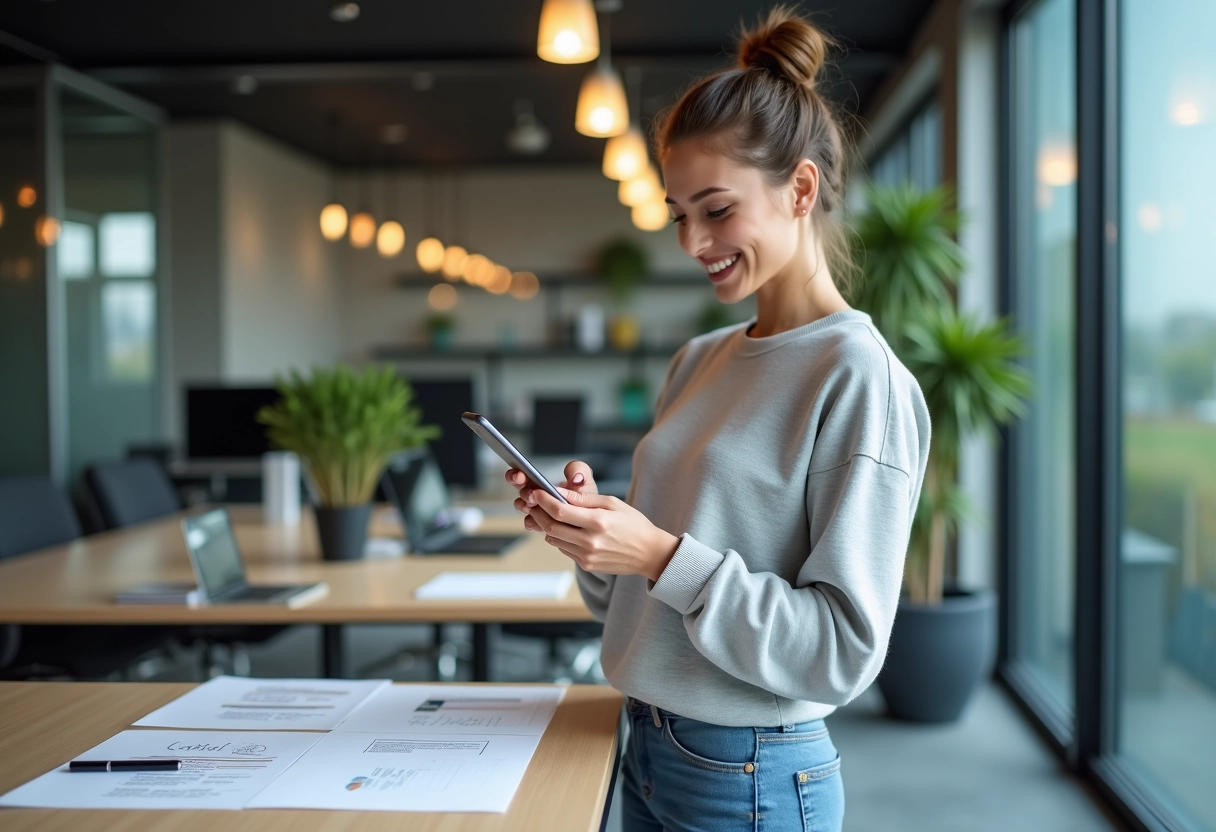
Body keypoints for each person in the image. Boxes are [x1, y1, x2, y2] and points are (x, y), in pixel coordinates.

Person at [506, 7, 931, 830]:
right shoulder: (698, 359)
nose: (693, 240)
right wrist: (594, 537)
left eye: (717, 209)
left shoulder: (860, 379)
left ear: (800, 188)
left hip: (751, 773)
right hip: (644, 742)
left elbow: (839, 653)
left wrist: (660, 554)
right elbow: (643, 596)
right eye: (678, 214)